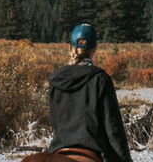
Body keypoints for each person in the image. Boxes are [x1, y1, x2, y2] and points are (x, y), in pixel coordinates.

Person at [44, 23, 132, 162]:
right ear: (94, 48)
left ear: (70, 46)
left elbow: (55, 122)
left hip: (59, 146)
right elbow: (113, 127)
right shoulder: (100, 79)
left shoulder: (55, 79)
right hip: (94, 148)